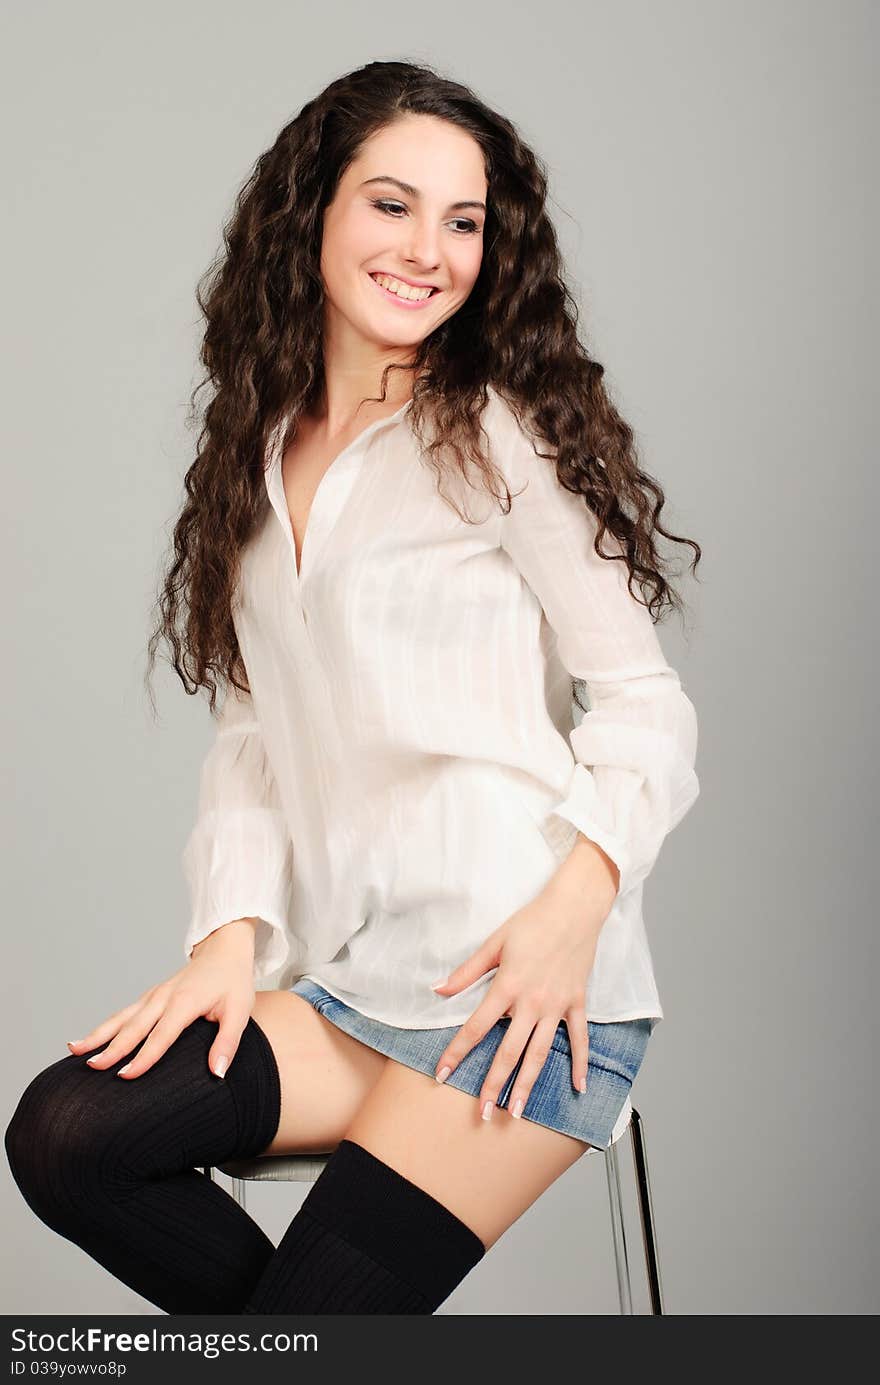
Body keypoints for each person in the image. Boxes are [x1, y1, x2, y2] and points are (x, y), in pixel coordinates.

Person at [5, 58, 702, 1316]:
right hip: (361, 983)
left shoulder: (493, 429)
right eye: (392, 203)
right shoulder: (262, 455)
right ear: (314, 210)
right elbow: (257, 734)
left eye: (464, 221)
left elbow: (646, 702)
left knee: (300, 1335)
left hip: (520, 990)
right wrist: (228, 944)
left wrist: (568, 920)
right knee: (69, 1133)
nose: (429, 249)